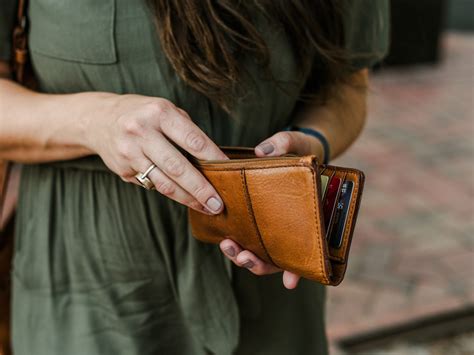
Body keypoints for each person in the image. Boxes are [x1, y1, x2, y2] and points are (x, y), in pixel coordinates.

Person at [0, 0, 389, 354]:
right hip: (89, 278)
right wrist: (96, 121)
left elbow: (348, 83)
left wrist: (313, 142)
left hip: (267, 266)